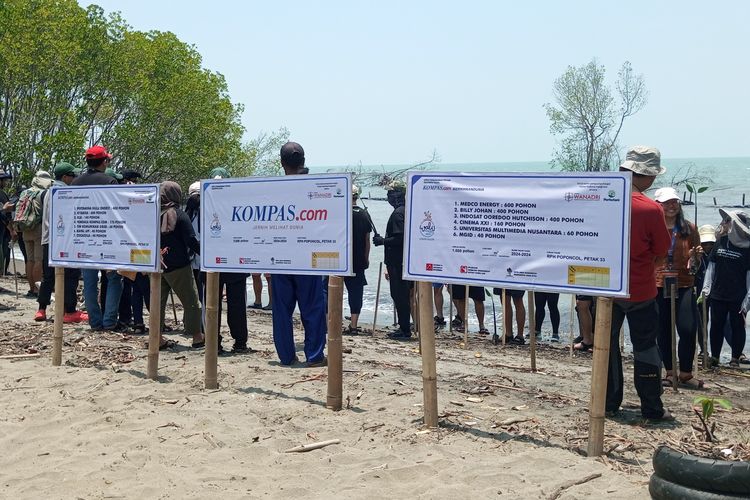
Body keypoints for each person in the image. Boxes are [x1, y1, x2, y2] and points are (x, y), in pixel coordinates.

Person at [607, 146, 672, 421]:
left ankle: (607, 404)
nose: (654, 180)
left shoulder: (602, 199)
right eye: (653, 175)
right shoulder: (650, 209)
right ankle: (651, 408)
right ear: (643, 176)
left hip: (604, 288)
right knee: (645, 346)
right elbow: (660, 252)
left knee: (605, 347)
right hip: (640, 290)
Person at [271, 142, 327, 366]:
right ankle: (314, 356)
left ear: (282, 163)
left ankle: (286, 356)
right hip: (308, 258)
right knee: (313, 309)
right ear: (304, 160)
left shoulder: (273, 188)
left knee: (282, 312)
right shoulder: (316, 185)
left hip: (279, 256)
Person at [652, 186, 702, 388]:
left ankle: (686, 372)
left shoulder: (689, 228)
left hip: (683, 283)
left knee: (688, 328)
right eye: (666, 202)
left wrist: (694, 257)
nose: (671, 206)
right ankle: (670, 371)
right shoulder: (654, 228)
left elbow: (696, 267)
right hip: (658, 282)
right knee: (663, 329)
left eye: (674, 202)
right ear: (658, 205)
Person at [72, 145, 124, 330]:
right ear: (104, 162)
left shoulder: (75, 183)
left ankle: (95, 321)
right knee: (114, 279)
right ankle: (109, 321)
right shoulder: (110, 181)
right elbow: (117, 212)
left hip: (84, 239)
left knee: (89, 283)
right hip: (107, 239)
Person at [34, 162, 87, 323]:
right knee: (71, 275)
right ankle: (69, 311)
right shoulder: (67, 191)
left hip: (47, 239)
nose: (74, 179)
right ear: (65, 177)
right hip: (65, 241)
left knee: (48, 276)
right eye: (73, 176)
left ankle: (41, 309)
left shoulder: (46, 193)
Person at [207, 166, 251, 354]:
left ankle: (213, 342)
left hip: (212, 261)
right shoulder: (238, 204)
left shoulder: (203, 205)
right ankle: (240, 342)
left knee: (212, 304)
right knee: (236, 304)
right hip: (234, 261)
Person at [158, 181, 204, 349]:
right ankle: (197, 337)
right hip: (179, 266)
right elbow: (191, 240)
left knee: (158, 303)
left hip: (157, 265)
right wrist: (207, 256)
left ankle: (157, 338)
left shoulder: (152, 213)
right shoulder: (179, 214)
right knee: (191, 302)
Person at [701, 209, 750, 368]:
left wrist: (747, 301)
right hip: (718, 294)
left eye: (727, 220)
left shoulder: (748, 249)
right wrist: (706, 290)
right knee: (716, 324)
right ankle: (715, 357)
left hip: (738, 296)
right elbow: (711, 268)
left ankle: (735, 358)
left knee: (737, 326)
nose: (723, 223)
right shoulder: (721, 242)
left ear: (736, 225)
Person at [373, 180, 411, 340]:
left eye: (391, 193)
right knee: (401, 295)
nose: (388, 197)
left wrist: (382, 241)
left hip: (397, 262)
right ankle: (404, 327)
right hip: (401, 261)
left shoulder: (398, 214)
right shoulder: (404, 211)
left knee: (399, 295)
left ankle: (405, 329)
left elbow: (400, 238)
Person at [16, 170, 53, 296]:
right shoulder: (44, 193)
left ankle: (31, 288)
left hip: (26, 228)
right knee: (39, 260)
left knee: (29, 259)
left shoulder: (25, 192)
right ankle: (38, 289)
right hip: (38, 229)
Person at [343, 184, 371, 334]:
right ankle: (353, 324)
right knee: (356, 292)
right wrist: (366, 258)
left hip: (340, 260)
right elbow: (367, 240)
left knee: (330, 290)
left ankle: (329, 321)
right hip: (358, 260)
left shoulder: (341, 212)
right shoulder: (364, 214)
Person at [694, 224, 716, 358]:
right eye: (705, 243)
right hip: (700, 292)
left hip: (717, 292)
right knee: (701, 321)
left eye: (710, 243)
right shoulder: (698, 255)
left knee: (721, 322)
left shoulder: (717, 253)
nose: (708, 246)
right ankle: (703, 349)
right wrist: (696, 258)